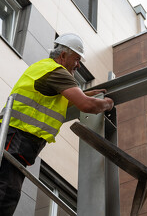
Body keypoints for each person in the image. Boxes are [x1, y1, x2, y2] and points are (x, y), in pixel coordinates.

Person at [0, 33, 114, 216]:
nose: (78, 65)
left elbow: (70, 100)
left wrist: (90, 94)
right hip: (16, 139)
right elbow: (86, 105)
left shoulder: (46, 69)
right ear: (63, 56)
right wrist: (108, 103)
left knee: (7, 193)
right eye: (76, 59)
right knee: (5, 195)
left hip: (14, 138)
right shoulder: (57, 72)